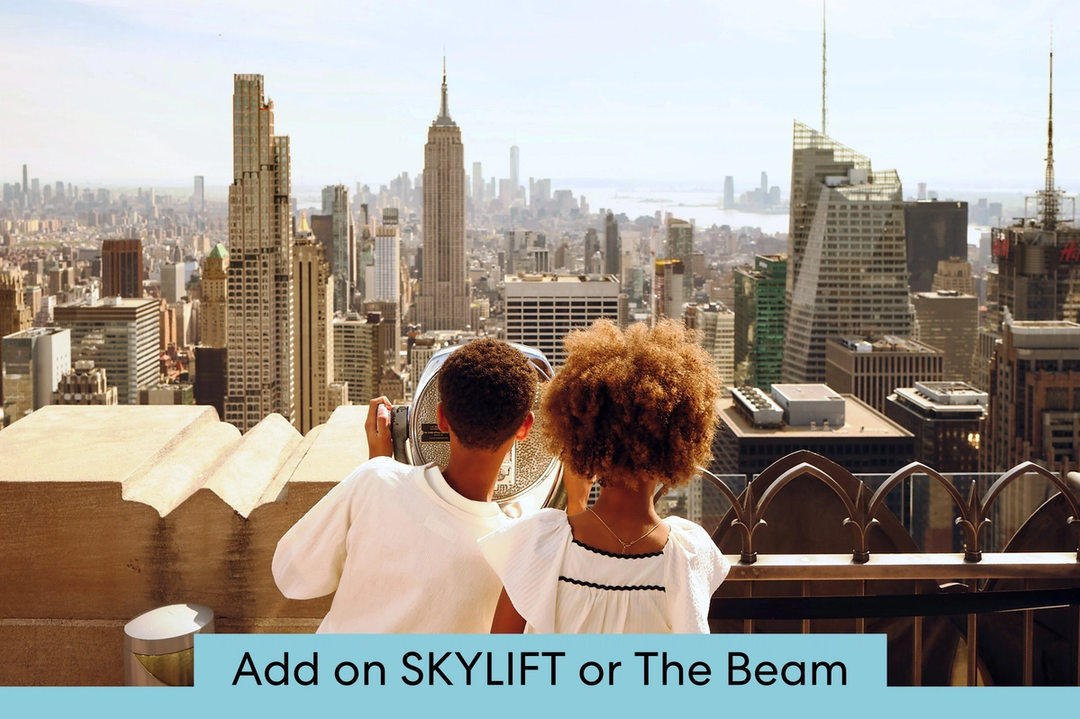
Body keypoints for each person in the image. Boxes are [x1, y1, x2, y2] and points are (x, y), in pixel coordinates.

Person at [273, 339, 571, 633]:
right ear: (525, 427)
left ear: (440, 417)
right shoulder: (517, 553)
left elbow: (292, 576)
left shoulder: (374, 481)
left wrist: (378, 467)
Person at [480, 319, 730, 633]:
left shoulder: (540, 543)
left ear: (582, 435)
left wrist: (576, 504)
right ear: (680, 439)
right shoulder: (689, 556)